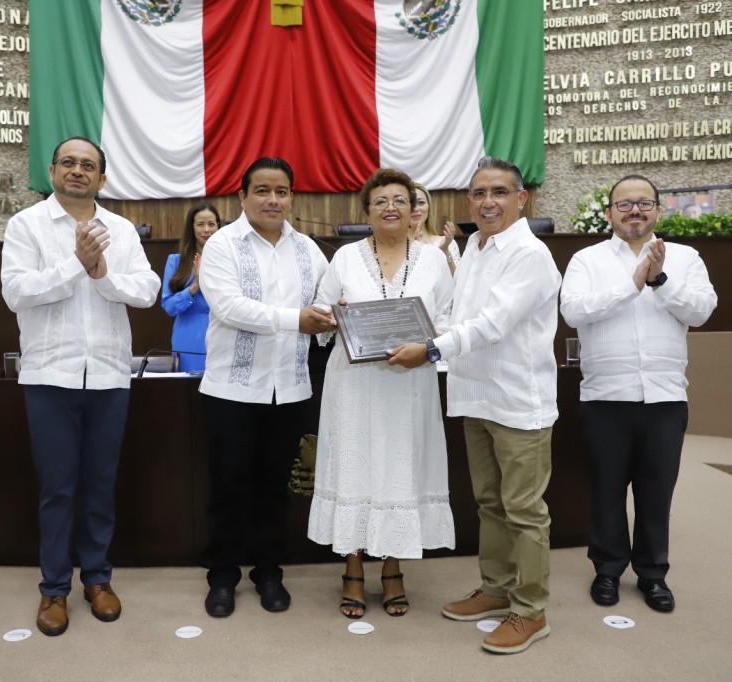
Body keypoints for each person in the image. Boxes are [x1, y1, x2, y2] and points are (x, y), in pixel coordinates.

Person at [389, 157, 561, 654]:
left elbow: (491, 324)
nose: (488, 202)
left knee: (524, 509)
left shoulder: (528, 254)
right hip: (475, 395)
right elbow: (454, 316)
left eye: (500, 193)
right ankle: (496, 588)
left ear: (521, 198)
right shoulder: (473, 248)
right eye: (480, 193)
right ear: (469, 201)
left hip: (517, 400)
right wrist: (422, 334)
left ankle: (531, 611)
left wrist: (431, 348)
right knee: (490, 503)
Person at [1, 136, 160, 637]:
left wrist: (101, 272)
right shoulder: (26, 225)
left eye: (87, 165)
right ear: (52, 171)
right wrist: (76, 264)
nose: (77, 171)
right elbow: (16, 292)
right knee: (57, 488)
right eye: (68, 162)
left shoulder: (121, 229)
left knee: (98, 486)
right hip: (51, 375)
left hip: (110, 376)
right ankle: (53, 588)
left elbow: (147, 290)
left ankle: (97, 579)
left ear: (102, 178)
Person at [560, 174, 717, 613]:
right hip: (605, 397)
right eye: (624, 204)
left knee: (656, 492)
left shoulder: (685, 258)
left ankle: (652, 575)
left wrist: (660, 279)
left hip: (665, 397)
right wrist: (631, 284)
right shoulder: (586, 260)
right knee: (607, 489)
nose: (634, 211)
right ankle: (607, 570)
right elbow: (573, 310)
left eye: (643, 203)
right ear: (610, 213)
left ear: (657, 210)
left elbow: (702, 311)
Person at [307, 169, 455, 619]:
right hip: (353, 383)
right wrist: (334, 318)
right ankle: (352, 568)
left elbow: (448, 320)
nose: (390, 207)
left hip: (411, 384)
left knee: (401, 469)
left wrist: (426, 348)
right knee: (355, 466)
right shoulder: (346, 259)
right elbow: (318, 312)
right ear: (366, 212)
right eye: (380, 201)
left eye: (400, 200)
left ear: (414, 211)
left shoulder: (433, 261)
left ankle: (392, 568)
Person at [197, 157, 334, 618]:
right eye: (262, 190)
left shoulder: (309, 250)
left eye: (281, 191)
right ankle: (221, 575)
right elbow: (231, 308)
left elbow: (326, 303)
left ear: (292, 197)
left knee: (276, 487)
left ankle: (269, 571)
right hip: (232, 390)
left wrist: (338, 315)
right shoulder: (222, 245)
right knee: (229, 486)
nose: (272, 200)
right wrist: (295, 320)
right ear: (242, 196)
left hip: (291, 389)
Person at [161, 203, 221, 372]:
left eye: (211, 224)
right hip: (189, 335)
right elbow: (170, 307)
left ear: (218, 226)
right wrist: (195, 286)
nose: (206, 230)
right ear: (192, 228)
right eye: (200, 224)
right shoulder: (175, 261)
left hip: (223, 333)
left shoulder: (230, 260)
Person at [411, 183, 460, 275]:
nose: (416, 208)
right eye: (411, 203)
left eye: (421, 202)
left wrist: (445, 251)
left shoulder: (446, 242)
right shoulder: (396, 246)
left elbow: (457, 282)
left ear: (429, 207)